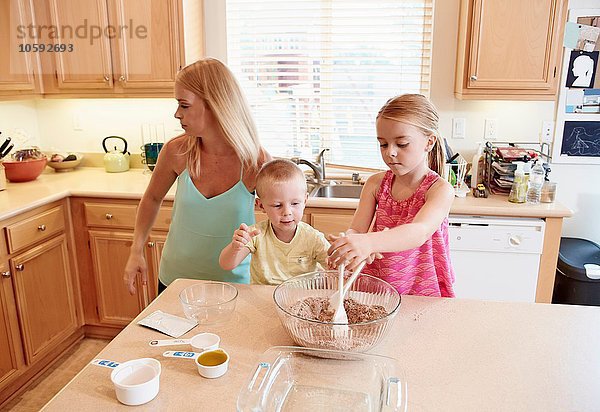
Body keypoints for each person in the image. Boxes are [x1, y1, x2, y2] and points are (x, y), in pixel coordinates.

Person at [124, 58, 270, 295]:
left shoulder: (256, 162)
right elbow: (151, 199)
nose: (176, 114)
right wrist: (136, 250)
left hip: (234, 285)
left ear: (214, 104)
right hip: (175, 281)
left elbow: (282, 220)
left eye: (184, 105)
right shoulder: (176, 151)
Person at [327, 94, 456, 297]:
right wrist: (350, 245)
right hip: (378, 285)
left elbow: (419, 232)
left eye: (402, 144)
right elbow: (358, 229)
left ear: (429, 142)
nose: (390, 153)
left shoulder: (439, 190)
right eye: (383, 144)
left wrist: (370, 242)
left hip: (421, 288)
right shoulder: (375, 184)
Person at [219, 159, 330, 285]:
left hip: (301, 300)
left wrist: (340, 260)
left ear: (305, 201)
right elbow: (226, 265)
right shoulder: (255, 234)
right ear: (260, 205)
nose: (287, 212)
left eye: (294, 203)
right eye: (277, 205)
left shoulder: (313, 238)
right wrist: (235, 247)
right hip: (263, 299)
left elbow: (335, 267)